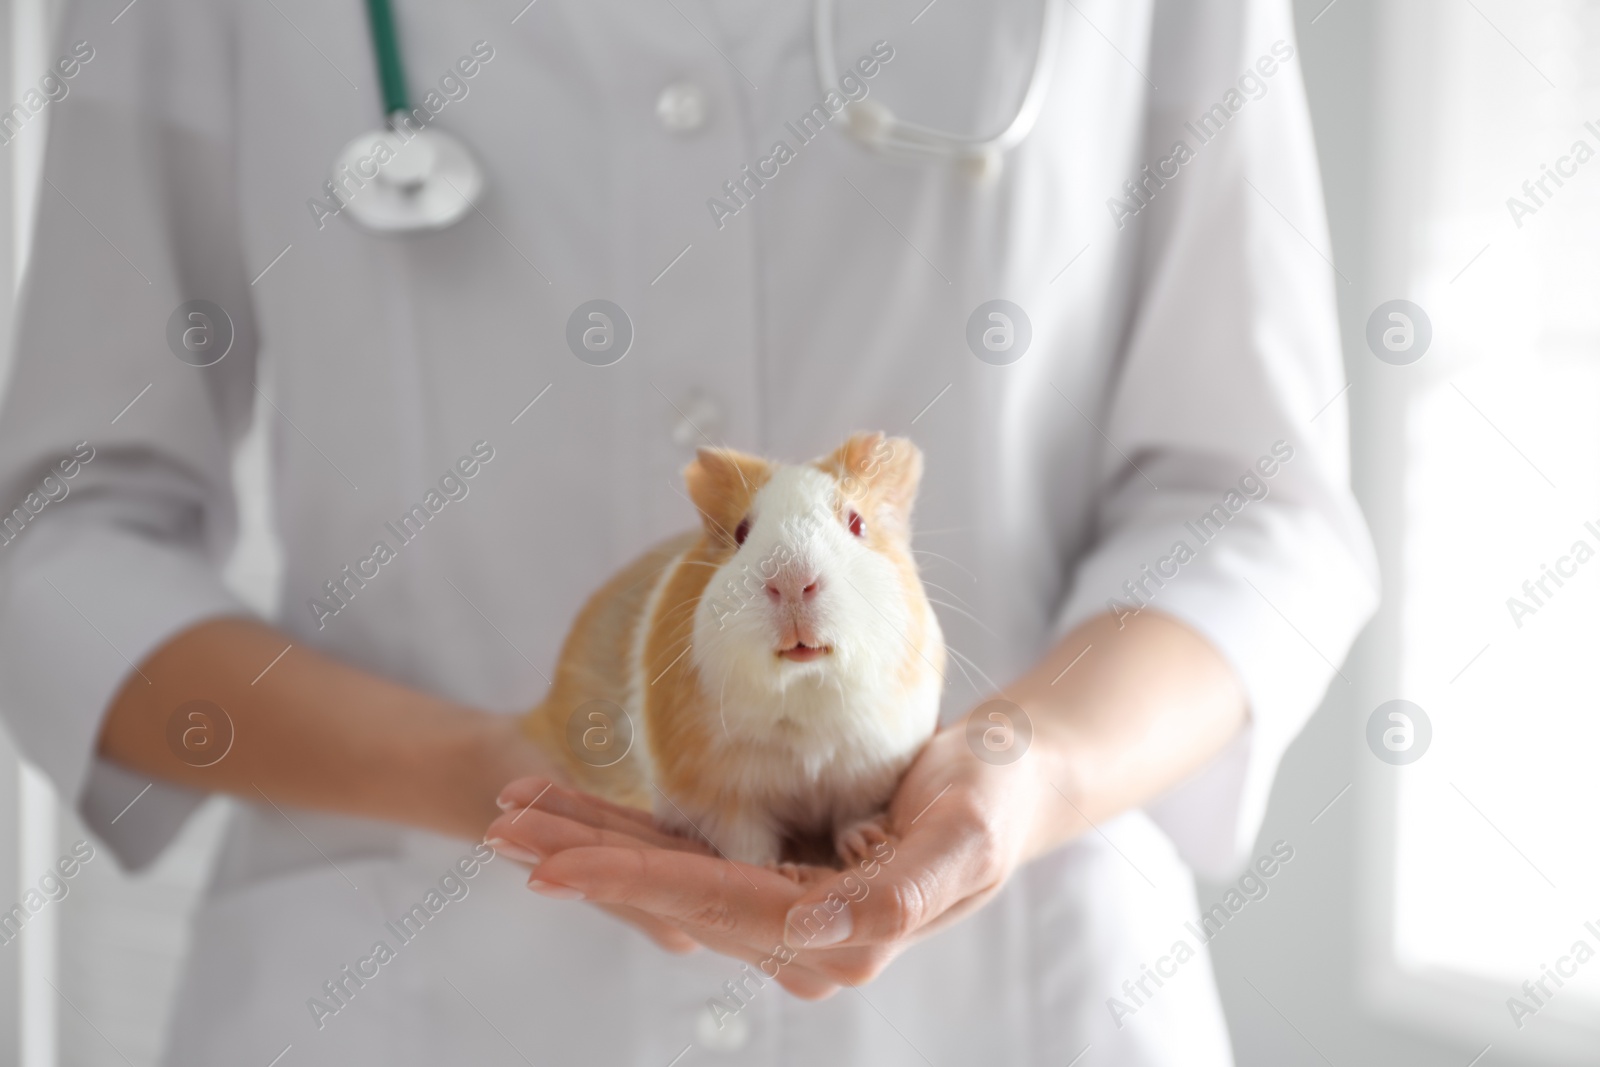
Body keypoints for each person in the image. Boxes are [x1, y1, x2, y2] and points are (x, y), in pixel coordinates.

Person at [0, 0, 1377, 1063]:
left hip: (1013, 1000)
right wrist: (494, 777)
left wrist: (1029, 767)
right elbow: (66, 534)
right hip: (403, 992)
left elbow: (1248, 505)